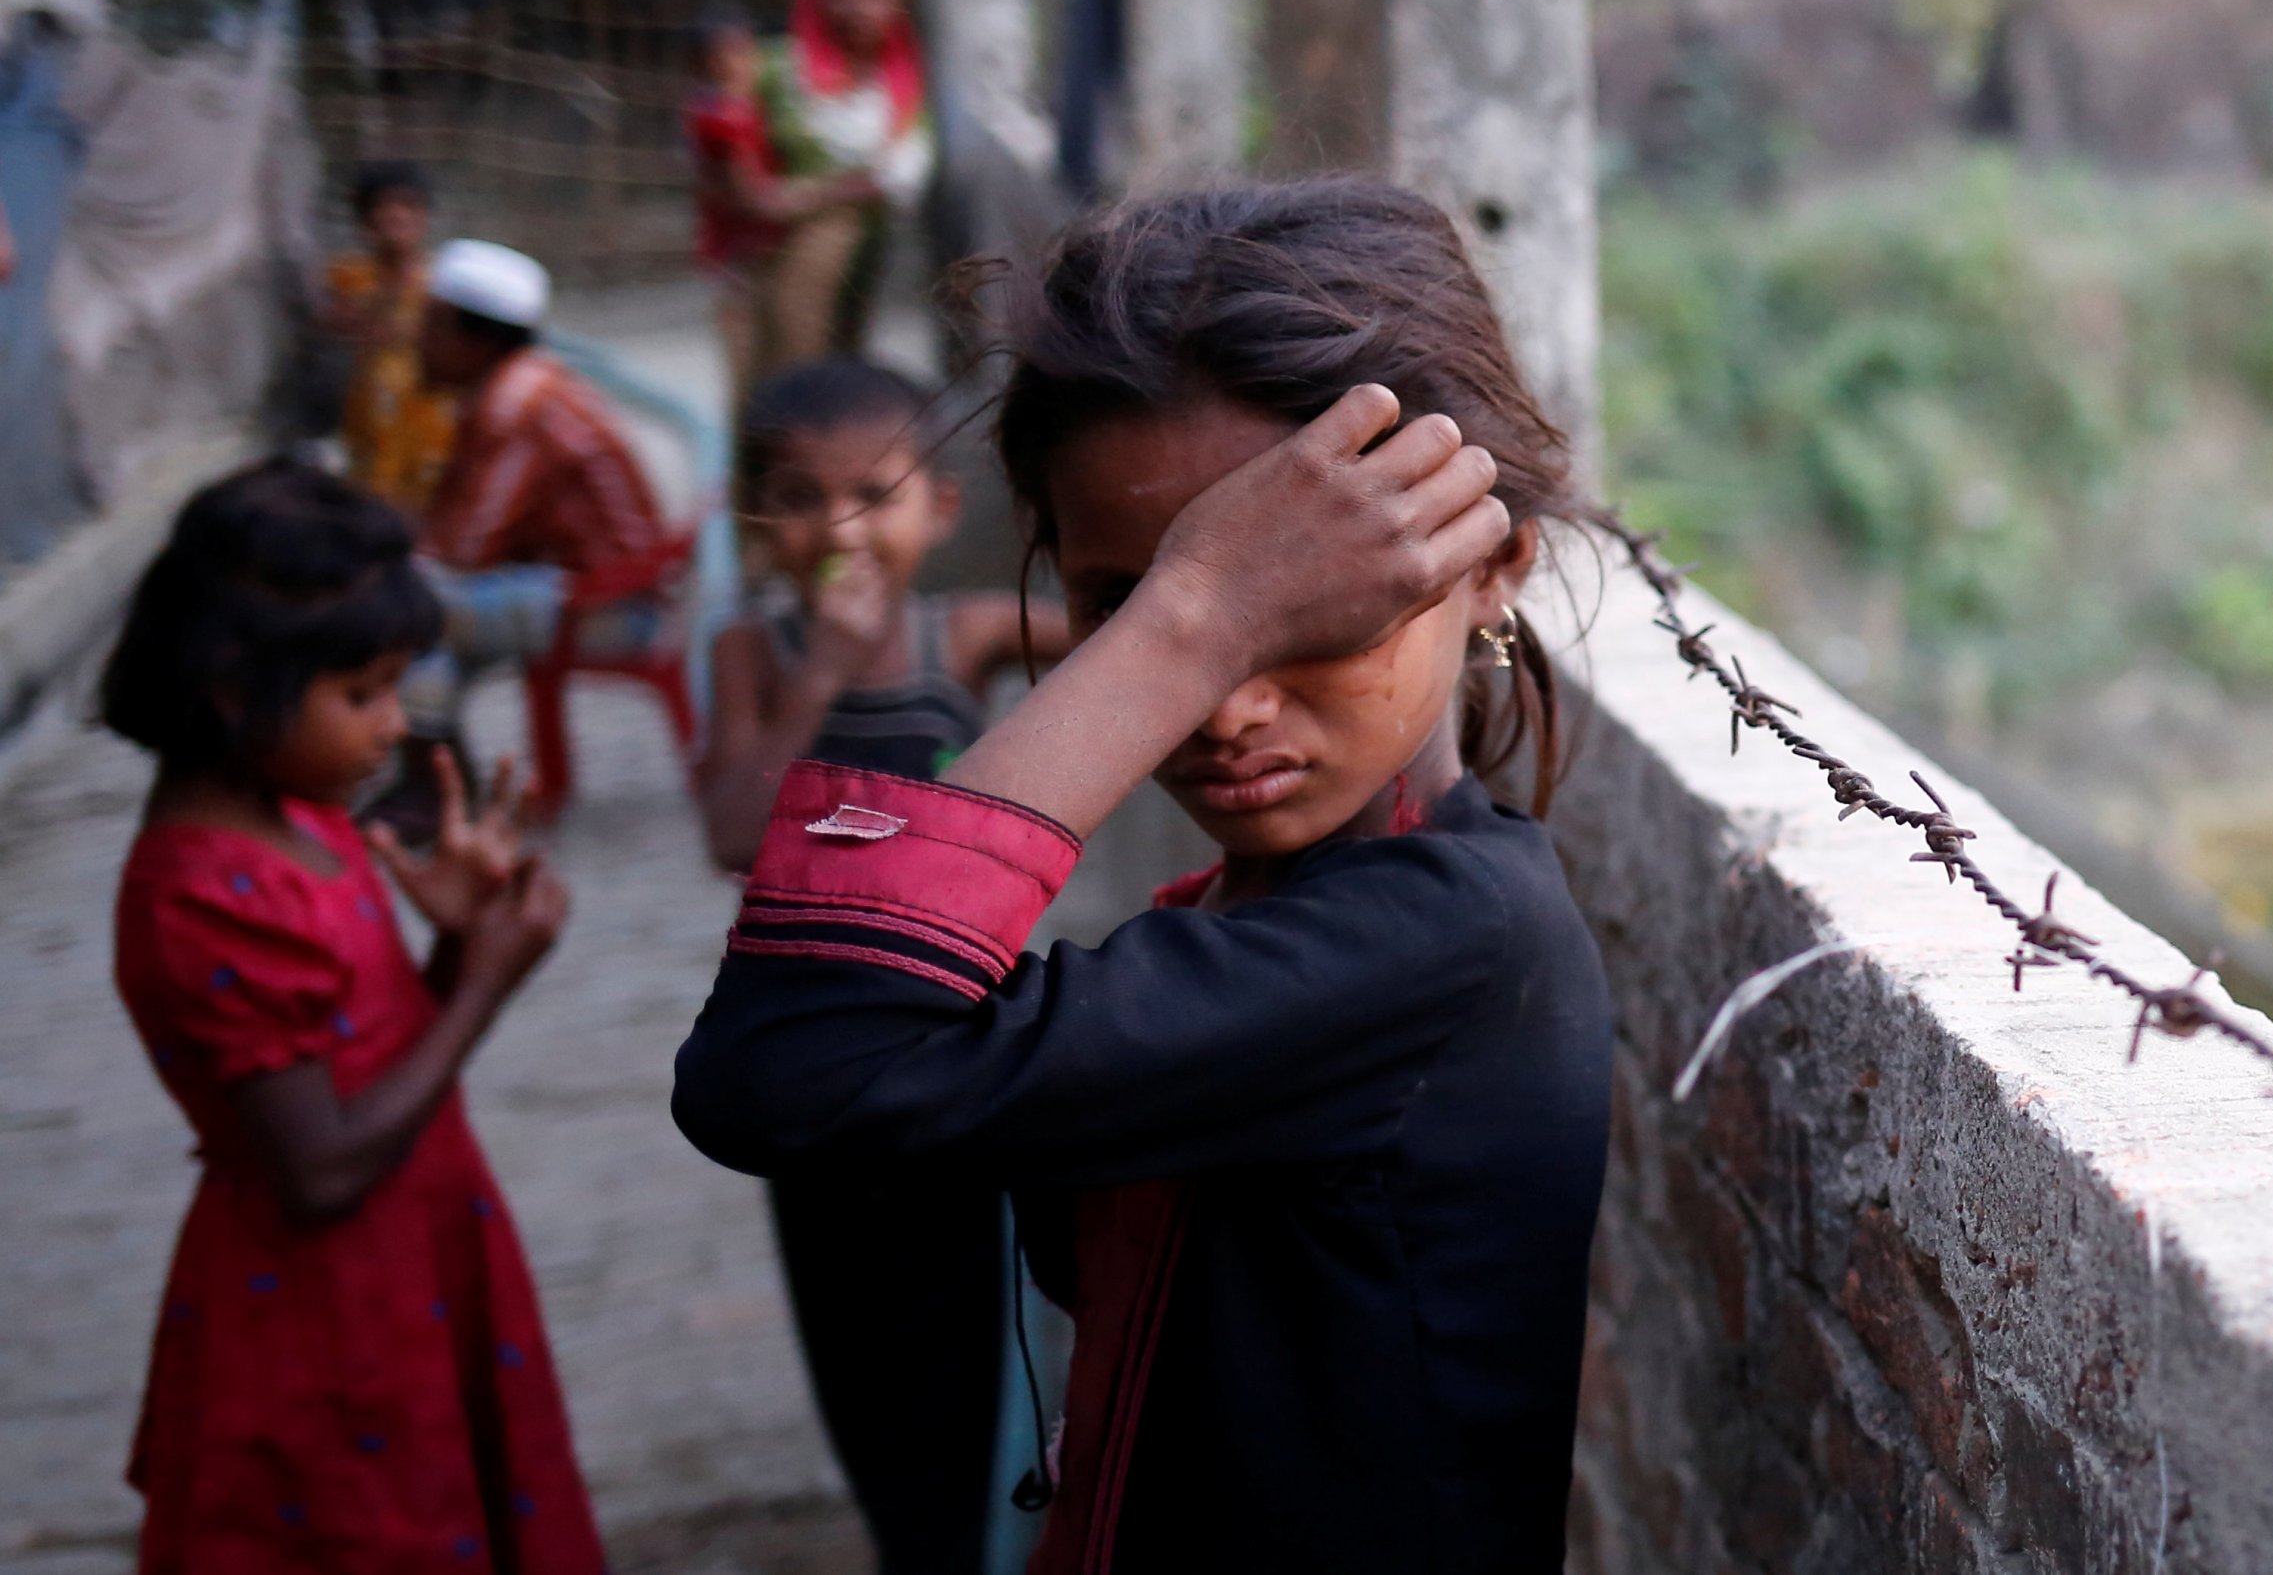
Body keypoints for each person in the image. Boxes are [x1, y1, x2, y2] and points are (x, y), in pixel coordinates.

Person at [673, 179, 1610, 1572]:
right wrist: (1196, 605)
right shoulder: (1255, 917)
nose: (1222, 700)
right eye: (1125, 604)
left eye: (1313, 613)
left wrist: (1185, 618)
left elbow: (791, 1060)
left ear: (1493, 567)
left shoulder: (1448, 939)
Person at [103, 458, 602, 1573]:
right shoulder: (199, 891)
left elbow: (360, 1052)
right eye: (362, 694)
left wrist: (451, 944)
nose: (393, 728)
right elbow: (317, 1168)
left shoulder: (296, 816)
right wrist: (485, 985)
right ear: (234, 688)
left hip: (412, 1261)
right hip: (326, 1313)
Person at [690, 358, 1069, 1573]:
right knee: (853, 1334)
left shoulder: (953, 639)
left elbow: (1134, 643)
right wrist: (818, 672)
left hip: (953, 1046)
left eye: (873, 494)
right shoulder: (755, 652)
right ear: (756, 520)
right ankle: (908, 1536)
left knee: (961, 1322)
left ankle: (970, 1538)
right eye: (800, 498)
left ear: (938, 509)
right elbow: (733, 832)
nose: (838, 528)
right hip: (812, 1064)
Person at [387, 238, 667, 807]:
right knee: (411, 604)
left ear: (476, 340)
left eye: (431, 326)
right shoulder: (512, 387)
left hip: (610, 607)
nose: (417, 341)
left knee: (405, 608)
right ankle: (435, 776)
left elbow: (463, 549)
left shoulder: (516, 405)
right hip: (582, 588)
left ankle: (431, 785)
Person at [753, 0, 933, 377]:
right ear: (821, 0)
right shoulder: (780, 69)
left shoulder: (907, 81)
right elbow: (731, 139)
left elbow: (903, 173)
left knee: (848, 351)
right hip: (791, 245)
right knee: (792, 355)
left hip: (871, 248)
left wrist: (827, 190)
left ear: (895, 0)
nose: (860, 9)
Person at [683, 13, 854, 421]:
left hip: (751, 253)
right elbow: (753, 198)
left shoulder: (746, 108)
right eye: (723, 55)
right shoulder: (725, 116)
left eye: (742, 53)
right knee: (753, 378)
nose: (736, 64)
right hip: (741, 260)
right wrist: (840, 190)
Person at [322, 160, 458, 513]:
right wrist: (394, 280)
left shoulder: (447, 278)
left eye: (407, 205)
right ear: (364, 220)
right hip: (371, 423)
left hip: (433, 426)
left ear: (425, 216)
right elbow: (342, 326)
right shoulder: (349, 276)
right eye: (383, 206)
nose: (395, 216)